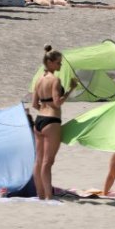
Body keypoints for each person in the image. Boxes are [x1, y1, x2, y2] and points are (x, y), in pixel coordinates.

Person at [32, 46, 72, 200]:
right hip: (52, 120)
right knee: (48, 162)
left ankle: (40, 194)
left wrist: (45, 104)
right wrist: (70, 91)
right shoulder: (55, 80)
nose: (60, 66)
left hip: (39, 121)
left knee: (39, 160)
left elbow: (35, 104)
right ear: (49, 62)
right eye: (58, 63)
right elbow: (57, 103)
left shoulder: (38, 80)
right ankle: (49, 195)